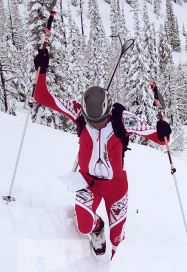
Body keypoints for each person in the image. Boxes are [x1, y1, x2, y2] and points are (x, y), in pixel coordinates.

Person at [33, 48, 172, 259]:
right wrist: (41, 70)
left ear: (108, 111)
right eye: (92, 122)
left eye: (101, 121)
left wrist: (162, 131)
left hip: (115, 186)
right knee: (84, 224)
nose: (97, 126)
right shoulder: (79, 111)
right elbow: (42, 97)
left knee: (116, 240)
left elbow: (160, 138)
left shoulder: (122, 119)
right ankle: (98, 228)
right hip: (87, 181)